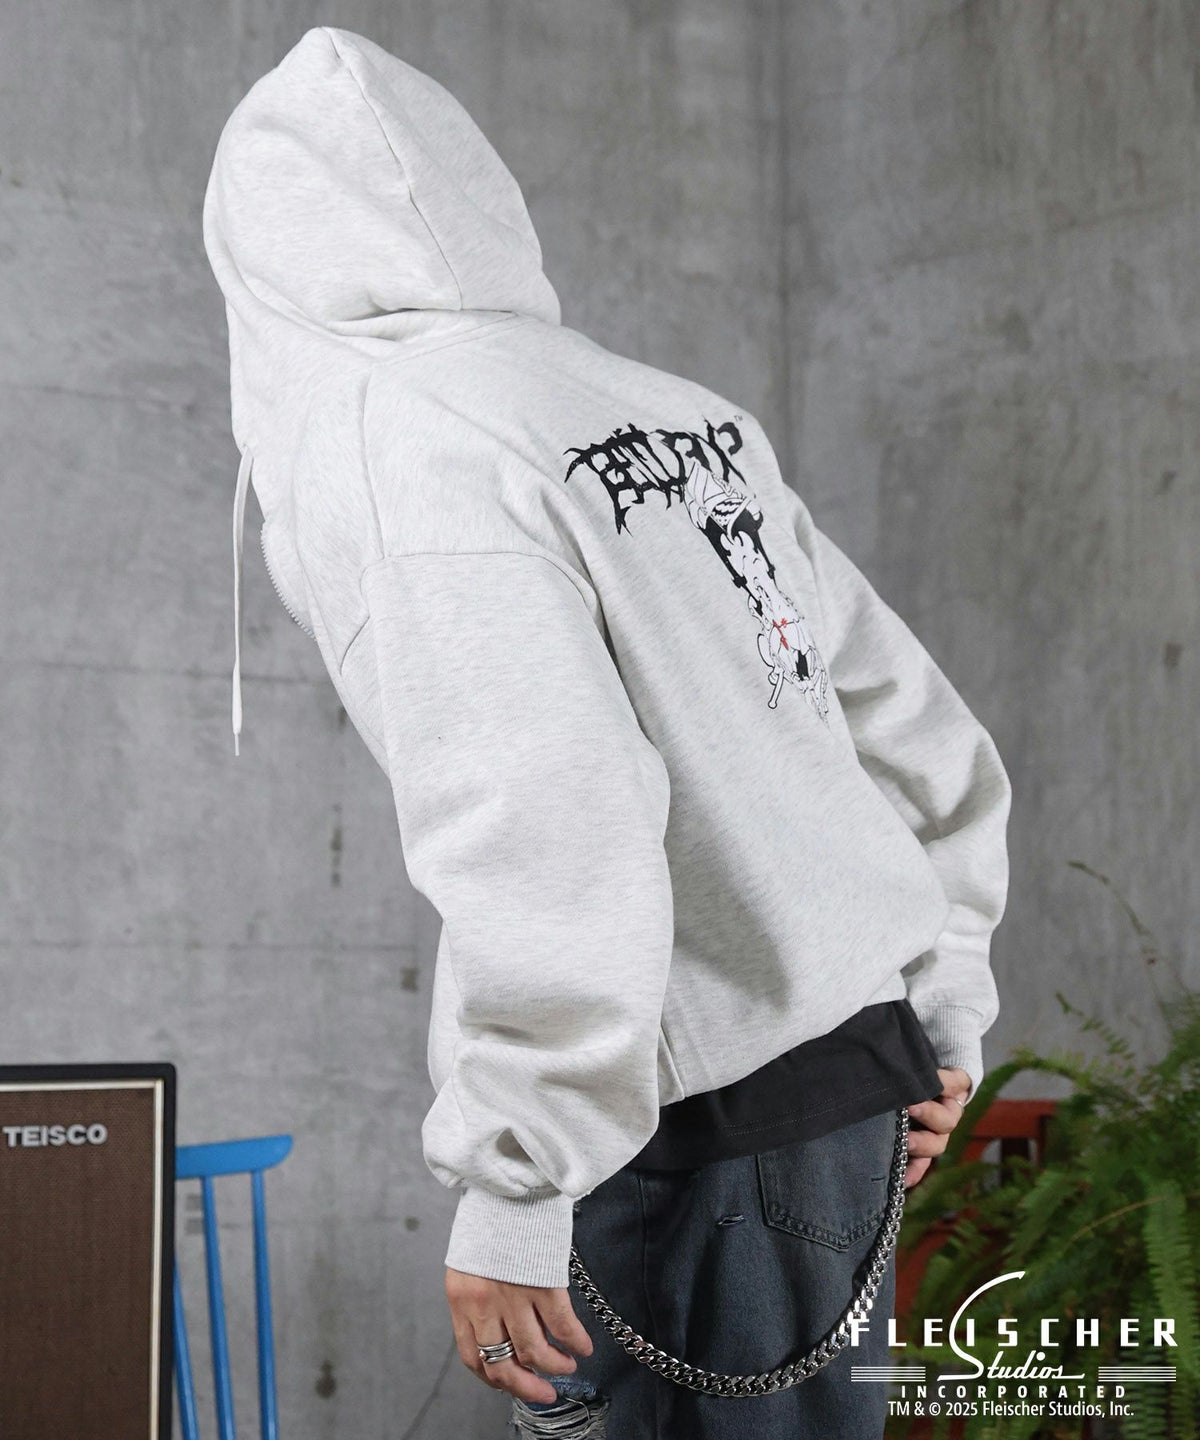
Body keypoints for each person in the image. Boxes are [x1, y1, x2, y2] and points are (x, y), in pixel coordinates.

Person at [203, 26, 1012, 1440]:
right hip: (846, 1088)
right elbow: (908, 723)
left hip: (688, 1149)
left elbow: (548, 820)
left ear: (257, 254)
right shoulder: (675, 411)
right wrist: (944, 1004)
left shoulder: (399, 443)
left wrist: (518, 1185)